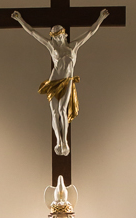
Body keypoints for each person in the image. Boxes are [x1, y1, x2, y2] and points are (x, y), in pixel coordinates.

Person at [11, 8, 109, 156]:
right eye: (54, 35)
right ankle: (58, 141)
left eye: (58, 34)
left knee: (63, 110)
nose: (56, 38)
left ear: (64, 34)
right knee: (54, 111)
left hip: (67, 80)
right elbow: (32, 33)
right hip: (54, 80)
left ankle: (65, 141)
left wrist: (101, 18)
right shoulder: (51, 47)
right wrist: (19, 20)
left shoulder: (73, 46)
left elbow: (90, 32)